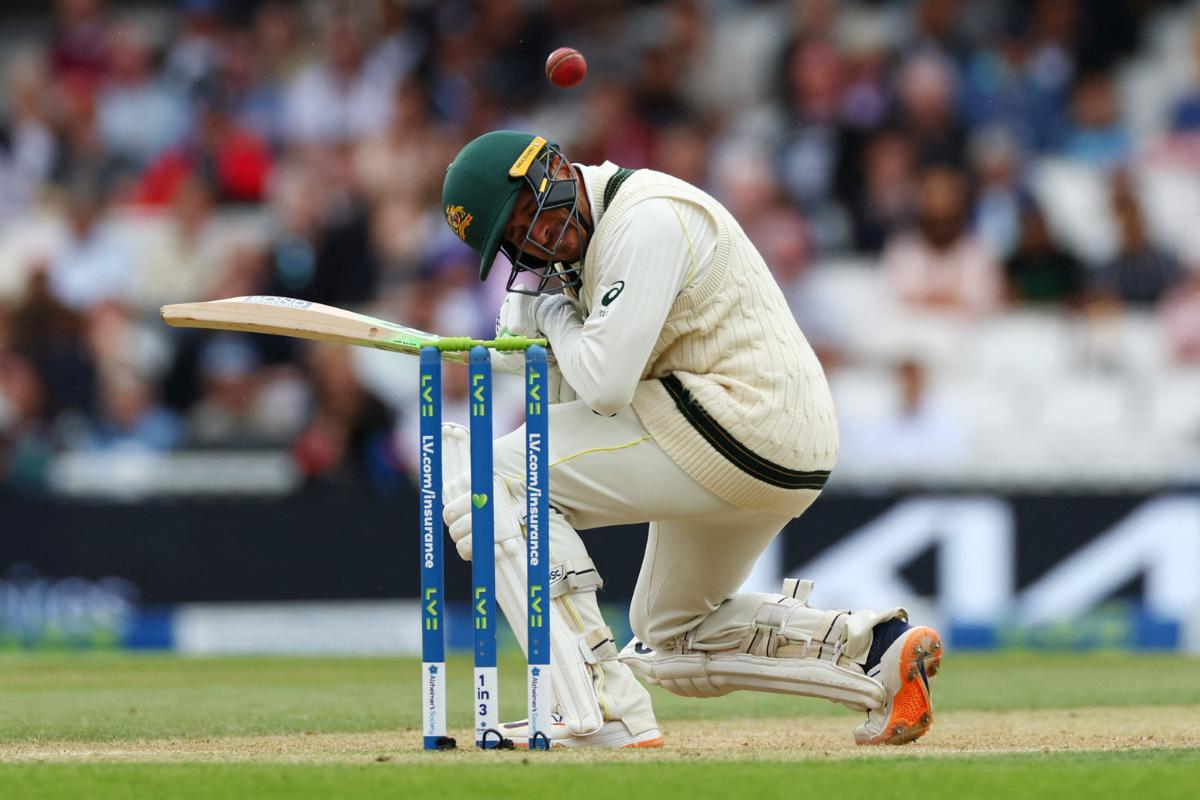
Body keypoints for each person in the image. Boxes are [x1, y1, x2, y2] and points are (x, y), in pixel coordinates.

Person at [437, 131, 943, 749]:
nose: (534, 237)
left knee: (497, 476)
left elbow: (603, 385)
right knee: (667, 636)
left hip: (740, 421)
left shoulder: (644, 219)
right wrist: (539, 324)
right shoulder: (584, 255)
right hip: (764, 444)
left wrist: (551, 317)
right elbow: (530, 361)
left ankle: (599, 706)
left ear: (552, 170)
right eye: (513, 237)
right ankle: (874, 653)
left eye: (527, 212)